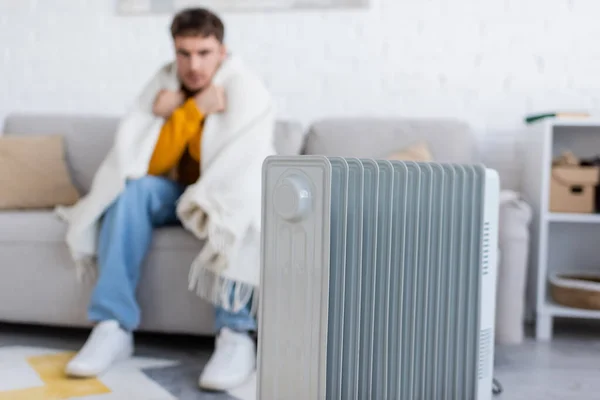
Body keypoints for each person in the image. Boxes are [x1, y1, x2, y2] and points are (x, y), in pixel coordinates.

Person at [59, 7, 275, 392]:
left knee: (244, 202)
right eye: (184, 53)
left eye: (204, 53)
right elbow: (149, 163)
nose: (194, 65)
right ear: (173, 52)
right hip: (178, 196)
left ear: (222, 52)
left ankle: (236, 333)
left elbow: (242, 167)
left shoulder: (246, 89)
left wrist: (187, 111)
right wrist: (191, 110)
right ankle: (113, 326)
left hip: (221, 192)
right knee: (131, 192)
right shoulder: (161, 91)